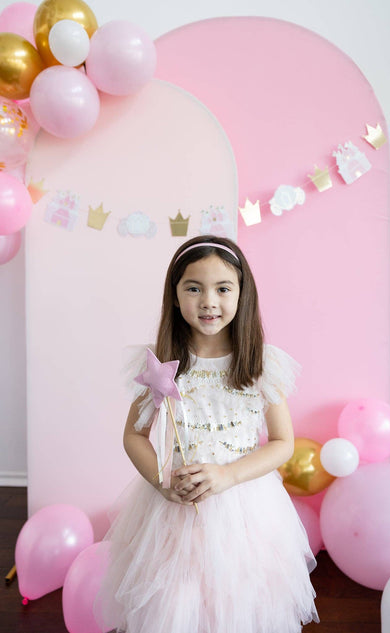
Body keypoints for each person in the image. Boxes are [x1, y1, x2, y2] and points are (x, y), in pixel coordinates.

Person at [96, 235, 319, 633]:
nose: (208, 301)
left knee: (238, 600)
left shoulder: (261, 364)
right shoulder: (160, 364)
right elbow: (134, 436)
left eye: (222, 288)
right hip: (173, 509)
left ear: (241, 294)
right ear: (175, 294)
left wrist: (227, 475)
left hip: (244, 508)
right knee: (175, 600)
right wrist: (162, 482)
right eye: (194, 288)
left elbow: (283, 442)